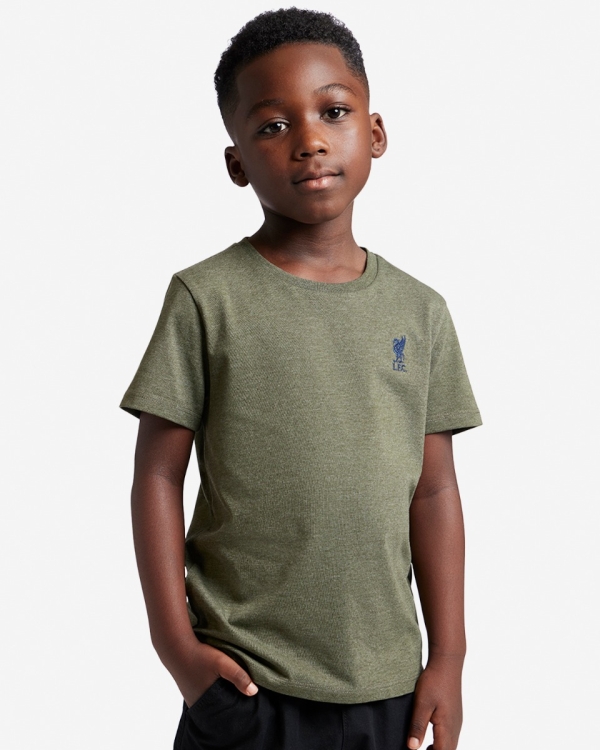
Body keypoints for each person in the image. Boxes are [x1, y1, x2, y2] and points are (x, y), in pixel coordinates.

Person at [120, 8, 482, 750]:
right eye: (274, 126)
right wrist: (176, 649)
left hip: (388, 688)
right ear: (236, 163)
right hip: (244, 683)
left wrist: (448, 658)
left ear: (375, 133)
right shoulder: (206, 298)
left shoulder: (420, 310)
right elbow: (157, 475)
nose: (309, 140)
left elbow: (434, 490)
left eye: (333, 112)